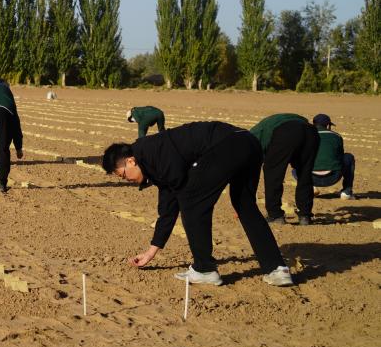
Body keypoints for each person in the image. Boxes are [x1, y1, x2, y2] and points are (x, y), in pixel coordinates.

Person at [102, 121, 293, 286]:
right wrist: (151, 252)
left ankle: (204, 269)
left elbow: (174, 198)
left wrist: (153, 249)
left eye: (123, 175)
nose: (126, 180)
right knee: (245, 207)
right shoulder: (152, 158)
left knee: (191, 203)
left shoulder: (154, 152)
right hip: (248, 142)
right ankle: (277, 269)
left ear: (131, 161)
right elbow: (168, 207)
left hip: (227, 145)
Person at [251, 113, 319, 225]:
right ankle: (305, 216)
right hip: (311, 132)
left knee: (273, 173)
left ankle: (275, 215)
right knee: (305, 174)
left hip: (286, 132)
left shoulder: (253, 134)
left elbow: (255, 154)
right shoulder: (269, 123)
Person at [303, 114, 356, 200]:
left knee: (298, 162)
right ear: (328, 125)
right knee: (348, 157)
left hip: (311, 177)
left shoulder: (305, 135)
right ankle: (347, 191)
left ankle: (310, 187)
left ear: (313, 124)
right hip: (333, 177)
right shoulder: (337, 136)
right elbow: (340, 156)